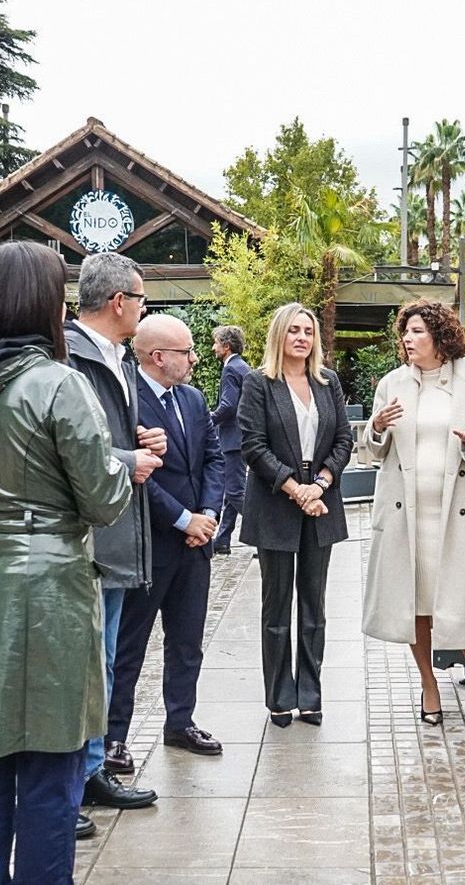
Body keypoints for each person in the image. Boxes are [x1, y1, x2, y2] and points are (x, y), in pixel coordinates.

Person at [0, 241, 131, 884]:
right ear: (46, 304)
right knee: (53, 755)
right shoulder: (59, 383)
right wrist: (125, 471)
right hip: (50, 579)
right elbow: (102, 500)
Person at [360, 300, 465, 729]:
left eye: (417, 332)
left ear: (441, 336)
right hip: (405, 513)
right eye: (405, 332)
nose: (408, 340)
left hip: (457, 512)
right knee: (416, 604)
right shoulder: (391, 384)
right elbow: (373, 450)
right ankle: (428, 683)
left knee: (463, 602)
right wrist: (375, 427)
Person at [62, 251, 162, 826]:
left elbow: (104, 434)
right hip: (89, 537)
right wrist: (129, 456)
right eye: (142, 297)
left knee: (104, 662)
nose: (144, 308)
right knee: (86, 665)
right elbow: (72, 448)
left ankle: (92, 770)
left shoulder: (117, 358)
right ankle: (67, 788)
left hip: (122, 530)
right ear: (119, 301)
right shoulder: (68, 359)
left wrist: (139, 439)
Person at [107, 314, 225, 755]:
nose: (195, 358)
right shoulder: (128, 402)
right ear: (158, 357)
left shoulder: (192, 399)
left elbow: (213, 458)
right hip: (151, 543)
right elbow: (139, 475)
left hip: (196, 542)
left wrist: (208, 514)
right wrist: (182, 519)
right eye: (186, 352)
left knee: (187, 639)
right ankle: (114, 737)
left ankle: (180, 722)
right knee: (129, 645)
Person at [239, 303, 353, 727]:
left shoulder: (328, 382)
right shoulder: (258, 384)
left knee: (314, 606)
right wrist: (295, 489)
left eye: (308, 331)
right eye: (294, 331)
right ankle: (279, 697)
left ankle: (310, 693)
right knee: (277, 606)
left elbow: (343, 439)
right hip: (275, 501)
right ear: (279, 337)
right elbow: (253, 446)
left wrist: (319, 485)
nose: (302, 338)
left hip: (320, 501)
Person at [210, 324, 251, 555]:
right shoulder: (242, 367)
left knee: (235, 492)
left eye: (216, 343)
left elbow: (228, 406)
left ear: (226, 346)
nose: (213, 347)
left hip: (233, 439)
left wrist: (207, 420)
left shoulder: (230, 370)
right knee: (231, 491)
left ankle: (264, 532)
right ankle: (223, 539)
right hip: (241, 436)